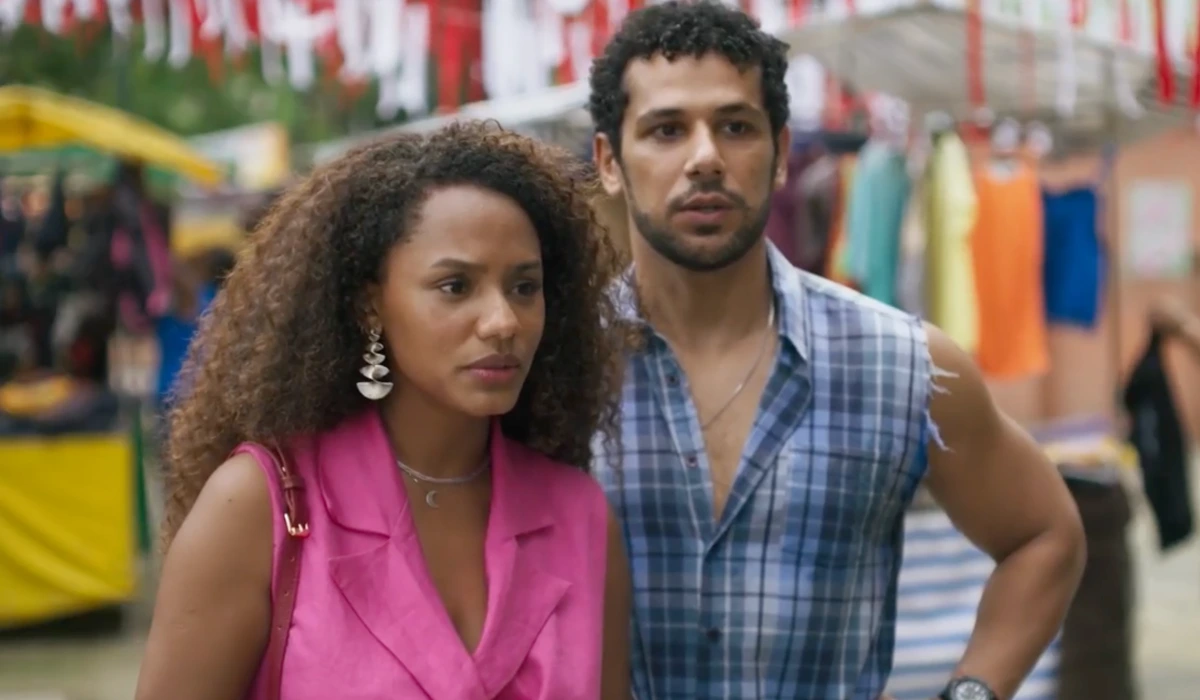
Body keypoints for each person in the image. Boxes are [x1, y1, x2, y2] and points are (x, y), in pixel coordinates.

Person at [587, 4, 1086, 700]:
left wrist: (972, 693)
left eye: (735, 126)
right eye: (666, 130)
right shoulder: (557, 368)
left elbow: (1045, 536)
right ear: (610, 162)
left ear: (782, 152)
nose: (705, 157)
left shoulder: (903, 365)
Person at [135, 123, 632, 700]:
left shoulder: (583, 518)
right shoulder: (258, 505)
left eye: (525, 287)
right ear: (370, 305)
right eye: (455, 286)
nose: (503, 321)